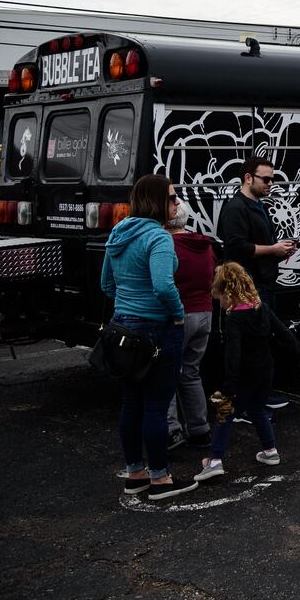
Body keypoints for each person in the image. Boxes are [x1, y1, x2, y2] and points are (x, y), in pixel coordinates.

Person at [103, 175, 196, 501]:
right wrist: (178, 313)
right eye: (172, 197)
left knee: (132, 403)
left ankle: (136, 473)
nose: (176, 202)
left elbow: (107, 284)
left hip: (123, 328)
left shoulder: (119, 232)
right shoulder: (158, 238)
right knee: (157, 406)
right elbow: (162, 285)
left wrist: (127, 304)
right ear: (158, 201)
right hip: (157, 328)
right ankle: (161, 479)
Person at [217, 157, 296, 411]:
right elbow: (236, 246)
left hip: (262, 282)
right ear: (248, 178)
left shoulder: (257, 204)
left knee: (261, 344)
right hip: (248, 287)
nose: (270, 183)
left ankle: (259, 397)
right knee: (251, 347)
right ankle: (249, 405)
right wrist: (273, 249)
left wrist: (280, 251)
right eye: (266, 179)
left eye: (272, 179)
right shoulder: (235, 208)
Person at [196, 262, 284, 482]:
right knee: (257, 409)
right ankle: (270, 451)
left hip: (244, 375)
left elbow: (233, 355)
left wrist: (229, 386)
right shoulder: (260, 307)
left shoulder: (235, 318)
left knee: (225, 414)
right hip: (265, 371)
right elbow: (284, 333)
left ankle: (215, 461)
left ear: (227, 292)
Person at [166, 198, 218, 450]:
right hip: (204, 312)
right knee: (191, 371)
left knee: (167, 374)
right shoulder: (204, 245)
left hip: (180, 314)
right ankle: (200, 429)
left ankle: (172, 430)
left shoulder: (167, 246)